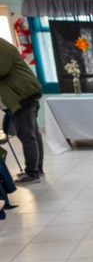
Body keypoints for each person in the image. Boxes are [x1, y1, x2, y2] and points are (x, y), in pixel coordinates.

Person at [0, 38, 43, 184]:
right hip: (22, 95)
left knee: (27, 136)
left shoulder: (2, 46)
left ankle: (33, 173)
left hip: (22, 96)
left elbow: (2, 68)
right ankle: (37, 169)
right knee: (33, 134)